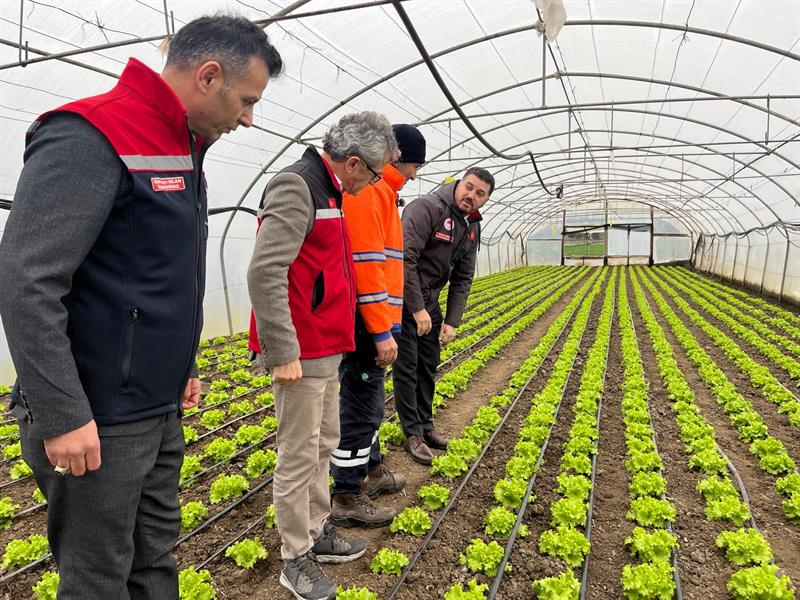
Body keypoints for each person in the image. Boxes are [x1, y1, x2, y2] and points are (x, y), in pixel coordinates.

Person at [0, 15, 282, 599]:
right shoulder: (89, 135)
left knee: (154, 560)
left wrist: (183, 365)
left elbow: (156, 276)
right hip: (98, 416)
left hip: (157, 406)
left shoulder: (184, 146)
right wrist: (62, 414)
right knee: (97, 577)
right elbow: (27, 281)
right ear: (209, 76)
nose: (249, 118)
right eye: (247, 100)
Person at [247, 112, 397, 600]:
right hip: (301, 351)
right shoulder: (297, 186)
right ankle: (296, 557)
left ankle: (317, 530)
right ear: (352, 163)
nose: (373, 183)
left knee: (322, 443)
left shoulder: (330, 191)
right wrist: (281, 350)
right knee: (298, 454)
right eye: (373, 173)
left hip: (327, 347)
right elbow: (265, 271)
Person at [330, 124, 426, 527]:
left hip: (375, 318)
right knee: (361, 405)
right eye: (416, 166)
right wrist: (381, 330)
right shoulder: (370, 191)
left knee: (369, 401)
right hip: (366, 322)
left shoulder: (383, 191)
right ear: (399, 160)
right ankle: (347, 493)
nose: (416, 175)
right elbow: (367, 266)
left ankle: (371, 469)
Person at [392, 167, 494, 464]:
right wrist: (416, 308)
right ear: (459, 184)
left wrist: (451, 321)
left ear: (485, 199)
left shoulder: (471, 225)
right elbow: (405, 260)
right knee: (407, 368)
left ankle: (425, 426)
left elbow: (463, 277)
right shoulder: (426, 208)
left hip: (430, 305)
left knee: (428, 366)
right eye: (469, 187)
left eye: (480, 193)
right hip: (403, 302)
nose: (471, 196)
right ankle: (412, 433)